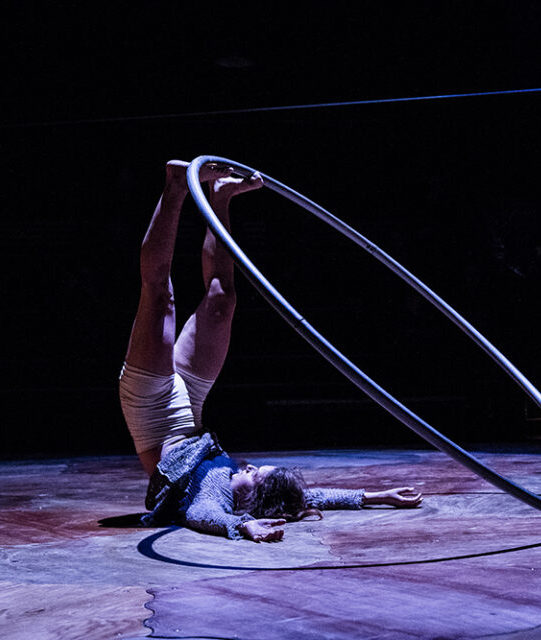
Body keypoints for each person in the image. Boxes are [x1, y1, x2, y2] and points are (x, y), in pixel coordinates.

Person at [119, 160, 422, 542]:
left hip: (153, 410)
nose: (248, 467)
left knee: (160, 296)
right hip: (190, 409)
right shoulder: (245, 487)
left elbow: (201, 514)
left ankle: (177, 185)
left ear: (252, 502)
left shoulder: (219, 498)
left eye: (255, 476)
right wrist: (374, 496)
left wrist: (243, 526)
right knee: (222, 299)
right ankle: (220, 197)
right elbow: (309, 498)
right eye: (257, 469)